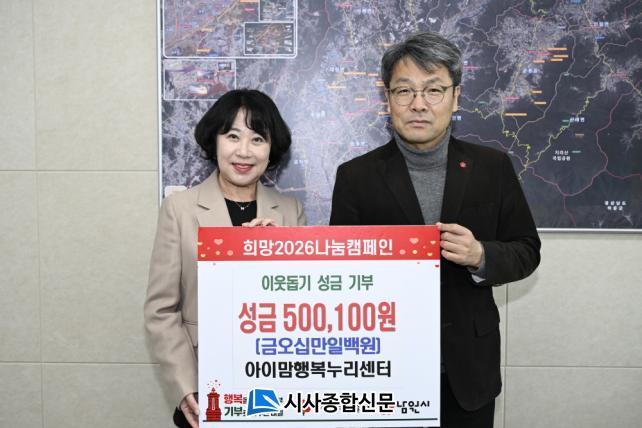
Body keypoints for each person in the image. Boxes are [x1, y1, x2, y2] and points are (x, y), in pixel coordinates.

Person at [330, 32, 541, 428]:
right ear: (388, 99)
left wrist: (481, 255)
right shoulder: (356, 176)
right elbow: (339, 274)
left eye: (433, 90)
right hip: (384, 369)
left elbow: (527, 250)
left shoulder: (492, 167)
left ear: (455, 97)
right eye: (404, 91)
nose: (418, 104)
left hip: (467, 370)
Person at [144, 89, 306, 428]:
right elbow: (161, 311)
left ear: (271, 149)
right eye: (232, 136)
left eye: (257, 139)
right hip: (205, 389)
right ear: (215, 141)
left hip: (276, 388)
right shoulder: (179, 209)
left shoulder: (290, 211)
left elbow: (305, 304)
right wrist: (186, 388)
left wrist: (281, 254)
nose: (244, 151)